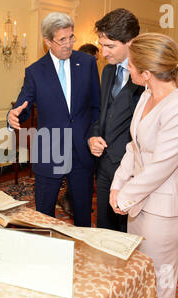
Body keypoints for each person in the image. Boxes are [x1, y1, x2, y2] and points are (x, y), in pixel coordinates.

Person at [109, 33, 178, 298]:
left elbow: (161, 167)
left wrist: (126, 196)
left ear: (146, 73)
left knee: (160, 277)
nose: (128, 68)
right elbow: (134, 147)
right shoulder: (146, 96)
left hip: (165, 210)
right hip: (140, 203)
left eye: (131, 65)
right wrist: (117, 185)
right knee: (141, 272)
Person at [8, 12, 101, 227]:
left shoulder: (87, 63)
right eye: (62, 40)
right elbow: (23, 104)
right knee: (44, 217)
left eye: (71, 37)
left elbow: (96, 106)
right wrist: (13, 115)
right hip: (49, 150)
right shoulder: (35, 72)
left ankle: (82, 257)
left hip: (81, 150)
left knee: (83, 216)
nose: (69, 44)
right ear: (48, 41)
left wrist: (93, 135)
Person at [87, 8, 144, 232]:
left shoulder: (147, 75)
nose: (103, 53)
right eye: (102, 46)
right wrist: (93, 137)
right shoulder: (108, 72)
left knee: (127, 232)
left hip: (131, 170)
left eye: (110, 46)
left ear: (131, 42)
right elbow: (101, 114)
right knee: (104, 228)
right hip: (103, 165)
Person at [57, 42, 101, 217]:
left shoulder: (93, 73)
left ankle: (74, 202)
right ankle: (70, 200)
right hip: (61, 140)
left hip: (85, 139)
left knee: (81, 182)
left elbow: (96, 105)